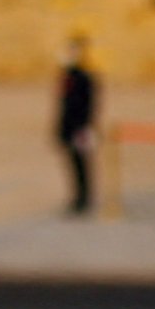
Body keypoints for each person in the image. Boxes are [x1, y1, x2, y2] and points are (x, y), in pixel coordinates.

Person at [53, 36, 100, 215]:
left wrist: (84, 128)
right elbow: (63, 105)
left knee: (81, 164)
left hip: (79, 128)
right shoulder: (67, 75)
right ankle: (77, 197)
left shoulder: (84, 77)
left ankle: (84, 197)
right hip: (69, 127)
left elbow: (88, 106)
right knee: (73, 164)